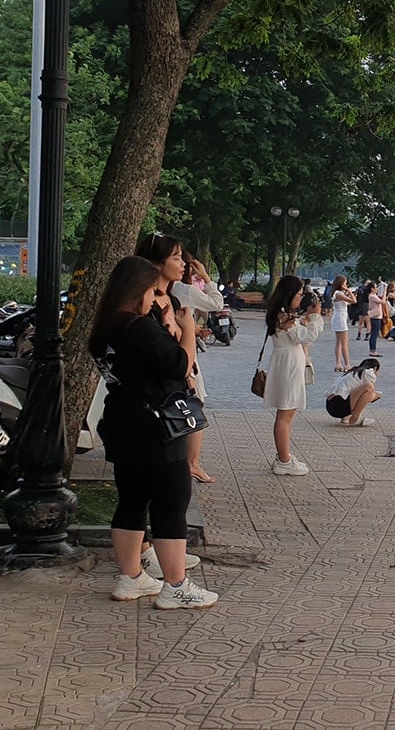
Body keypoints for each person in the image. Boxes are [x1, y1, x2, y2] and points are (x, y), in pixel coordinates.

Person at [89, 256, 217, 609]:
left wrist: (162, 327)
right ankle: (176, 585)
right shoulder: (140, 328)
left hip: (122, 422)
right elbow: (180, 365)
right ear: (138, 290)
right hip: (156, 426)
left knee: (132, 500)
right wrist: (185, 328)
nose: (154, 298)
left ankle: (130, 577)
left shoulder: (105, 328)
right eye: (151, 291)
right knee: (171, 501)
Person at [135, 233, 223, 484]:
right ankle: (190, 464)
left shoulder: (173, 298)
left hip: (180, 371)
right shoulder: (146, 300)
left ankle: (188, 464)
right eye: (176, 257)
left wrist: (188, 365)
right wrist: (186, 331)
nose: (183, 263)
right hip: (158, 385)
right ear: (157, 263)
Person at [262, 275, 324, 475]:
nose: (301, 298)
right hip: (289, 364)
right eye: (299, 294)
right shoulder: (285, 317)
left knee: (286, 413)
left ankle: (283, 456)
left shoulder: (282, 314)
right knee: (285, 414)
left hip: (286, 361)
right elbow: (308, 338)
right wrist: (315, 317)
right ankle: (284, 460)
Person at [326, 358, 381, 427]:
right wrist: (375, 396)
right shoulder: (369, 372)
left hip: (330, 406)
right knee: (369, 391)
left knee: (360, 390)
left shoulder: (352, 371)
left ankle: (346, 417)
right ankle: (355, 417)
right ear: (375, 368)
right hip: (340, 405)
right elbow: (370, 389)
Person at [330, 275, 356, 372]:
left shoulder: (337, 293)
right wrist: (349, 291)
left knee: (339, 342)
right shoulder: (339, 294)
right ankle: (347, 364)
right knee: (344, 342)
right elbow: (354, 301)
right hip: (340, 318)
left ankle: (338, 364)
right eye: (345, 283)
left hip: (339, 317)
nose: (346, 285)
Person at [366, 281, 385, 357]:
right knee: (374, 334)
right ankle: (372, 350)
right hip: (376, 316)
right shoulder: (372, 296)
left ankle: (373, 349)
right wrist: (385, 292)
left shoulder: (373, 295)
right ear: (372, 288)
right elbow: (383, 302)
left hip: (376, 316)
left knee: (374, 334)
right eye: (376, 287)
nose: (377, 289)